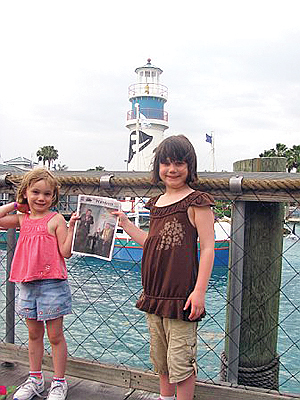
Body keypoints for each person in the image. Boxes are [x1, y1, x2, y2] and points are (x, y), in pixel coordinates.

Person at [114, 135, 215, 400]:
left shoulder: (196, 202)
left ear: (190, 167)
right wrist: (125, 224)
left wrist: (199, 291)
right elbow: (151, 242)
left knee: (181, 363)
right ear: (158, 166)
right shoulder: (155, 203)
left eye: (179, 163)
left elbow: (207, 247)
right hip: (154, 295)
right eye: (166, 163)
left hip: (181, 296)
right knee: (161, 360)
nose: (172, 169)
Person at [0, 168, 79, 400]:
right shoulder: (22, 219)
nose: (41, 198)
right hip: (27, 284)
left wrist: (71, 227)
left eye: (47, 194)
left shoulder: (55, 219)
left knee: (55, 336)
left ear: (53, 196)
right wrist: (16, 205)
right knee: (34, 334)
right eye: (35, 192)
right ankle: (35, 378)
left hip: (53, 285)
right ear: (25, 192)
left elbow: (66, 252)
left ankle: (59, 381)